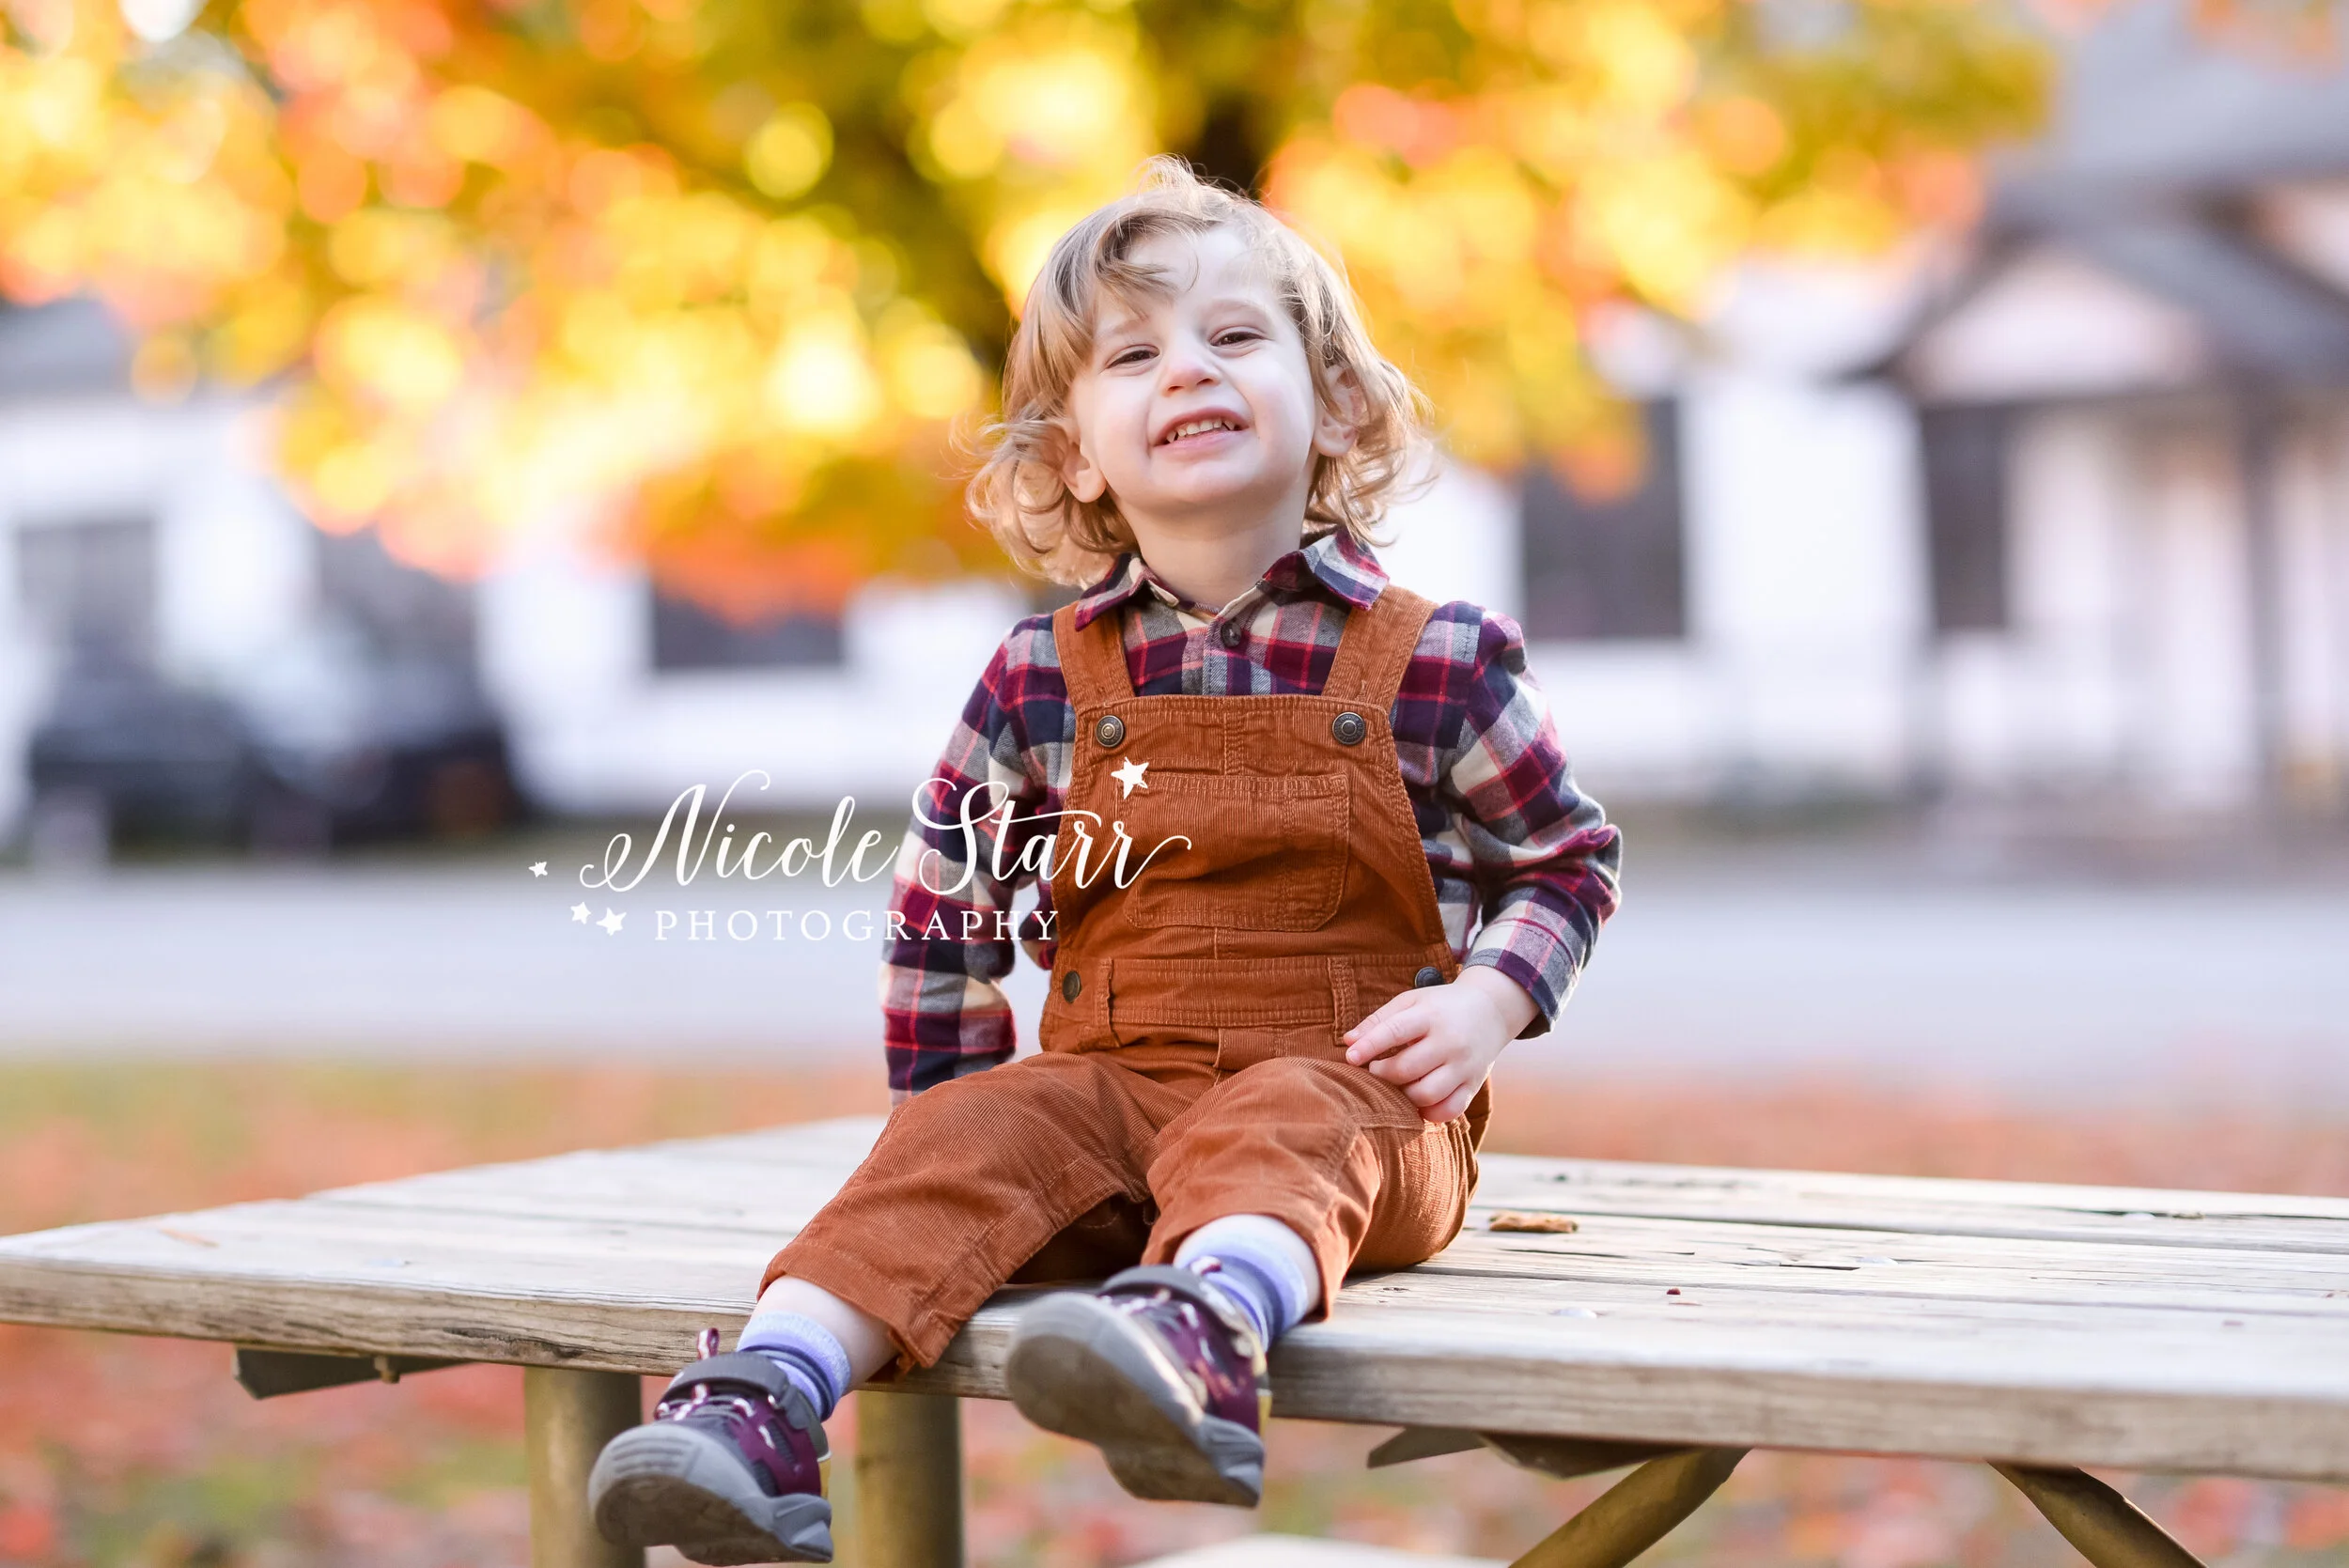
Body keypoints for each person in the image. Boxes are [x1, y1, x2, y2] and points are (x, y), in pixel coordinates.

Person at [586, 156, 1622, 1565]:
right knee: (969, 1135)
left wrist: (1490, 1001)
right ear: (1076, 450)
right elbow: (945, 915)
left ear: (1337, 404)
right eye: (1134, 355)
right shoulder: (1038, 680)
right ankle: (761, 1402)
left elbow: (1563, 863)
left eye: (1236, 337)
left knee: (1284, 1120)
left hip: (1361, 1108)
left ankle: (1202, 1332)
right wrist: (953, 1137)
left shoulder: (1436, 660)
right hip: (1114, 1100)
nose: (1187, 370)